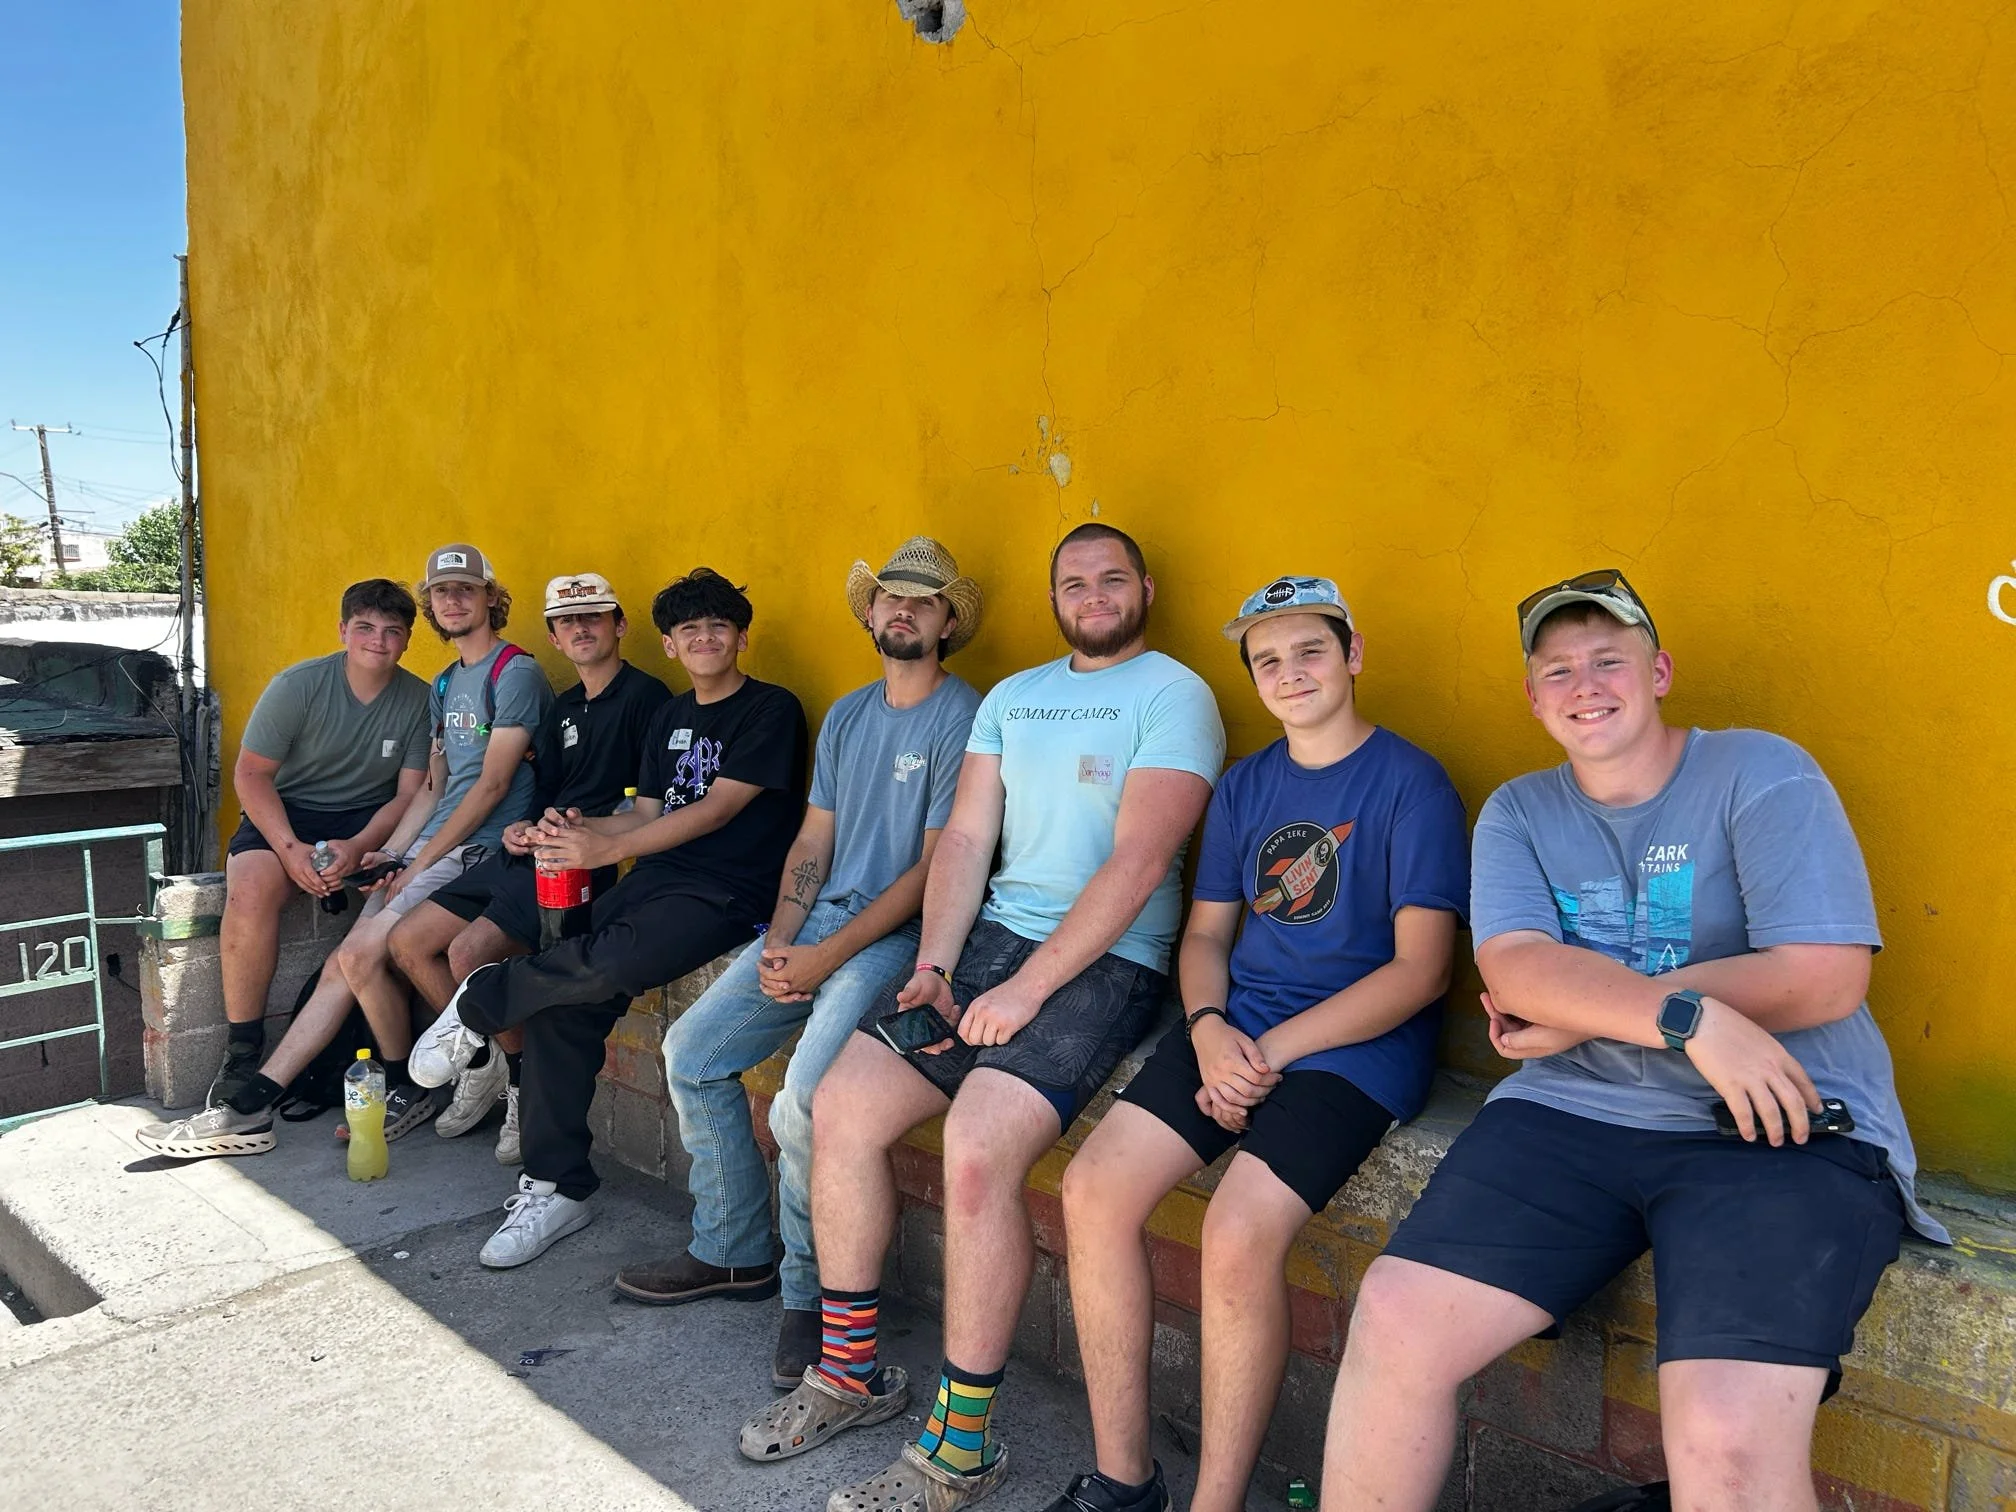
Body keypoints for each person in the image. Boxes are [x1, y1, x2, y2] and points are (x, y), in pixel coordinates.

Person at [1320, 570, 1949, 1512]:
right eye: (1559, 670)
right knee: (1396, 1317)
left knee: (1724, 1435)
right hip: (1572, 1109)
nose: (1585, 686)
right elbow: (1517, 969)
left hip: (1777, 1118)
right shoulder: (1520, 811)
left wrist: (1594, 1008)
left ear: (1658, 672)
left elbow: (1823, 974)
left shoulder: (1760, 771)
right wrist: (1693, 1021)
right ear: (1534, 699)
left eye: (1608, 660)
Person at [738, 523, 1225, 1512]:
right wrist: (936, 965)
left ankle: (962, 1447)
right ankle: (851, 1375)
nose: (1093, 594)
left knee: (974, 1148)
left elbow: (1139, 863)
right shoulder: (1014, 695)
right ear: (1053, 598)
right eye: (1074, 582)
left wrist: (1028, 988)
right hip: (993, 940)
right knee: (841, 1106)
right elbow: (964, 837)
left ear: (1145, 588)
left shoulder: (1176, 693)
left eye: (1112, 579)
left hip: (1110, 959)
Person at [1049, 576, 1468, 1512]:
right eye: (1268, 660)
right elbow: (1205, 937)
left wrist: (1268, 1052)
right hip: (1234, 1029)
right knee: (1093, 1189)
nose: (1290, 672)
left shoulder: (1413, 782)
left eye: (1310, 650)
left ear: (1353, 655)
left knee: (1236, 1232)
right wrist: (1207, 1029)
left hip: (1357, 1047)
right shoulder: (1246, 784)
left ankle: (1217, 1502)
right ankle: (1124, 1480)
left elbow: (1421, 971)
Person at [617, 538, 983, 1393]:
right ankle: (732, 1249)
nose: (903, 610)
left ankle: (809, 1296)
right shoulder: (850, 714)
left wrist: (827, 955)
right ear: (869, 613)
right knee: (691, 1054)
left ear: (947, 622)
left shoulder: (964, 715)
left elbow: (934, 867)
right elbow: (814, 838)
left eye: (923, 601)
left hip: (895, 938)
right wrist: (783, 938)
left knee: (803, 1105)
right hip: (814, 922)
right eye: (890, 597)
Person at [412, 568, 809, 1270]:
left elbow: (716, 809)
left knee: (612, 962)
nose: (705, 638)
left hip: (728, 890)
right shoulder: (671, 715)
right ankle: (556, 1186)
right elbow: (646, 813)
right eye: (689, 629)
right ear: (670, 643)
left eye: (719, 626)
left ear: (742, 638)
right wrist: (572, 831)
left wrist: (610, 848)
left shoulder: (771, 708)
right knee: (563, 1002)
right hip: (657, 878)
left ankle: (482, 997)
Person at [137, 545, 552, 1158]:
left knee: (356, 955)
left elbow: (490, 788)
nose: (454, 601)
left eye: (467, 589)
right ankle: (398, 1083)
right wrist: (394, 854)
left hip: (477, 848)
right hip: (431, 846)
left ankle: (256, 1106)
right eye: (442, 592)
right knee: (353, 963)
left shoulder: (514, 674)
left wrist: (417, 860)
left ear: (491, 597)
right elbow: (432, 790)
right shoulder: (446, 682)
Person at [387, 572, 672, 1165]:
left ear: (620, 625)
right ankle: (487, 1061)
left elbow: (650, 807)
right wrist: (521, 827)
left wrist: (586, 833)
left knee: (468, 953)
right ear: (554, 636)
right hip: (532, 847)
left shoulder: (649, 698)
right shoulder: (562, 705)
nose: (581, 629)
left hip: (589, 861)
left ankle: (520, 1087)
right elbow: (544, 789)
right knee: (407, 943)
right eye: (568, 622)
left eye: (593, 617)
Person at [202, 578, 432, 1112]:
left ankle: (385, 1060)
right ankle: (243, 1049)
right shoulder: (297, 685)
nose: (378, 640)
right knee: (249, 890)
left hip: (370, 817)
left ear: (407, 640)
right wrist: (289, 850)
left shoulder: (422, 700)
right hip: (289, 810)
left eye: (392, 631)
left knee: (394, 901)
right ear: (343, 630)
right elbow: (251, 774)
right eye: (365, 627)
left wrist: (357, 846)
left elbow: (409, 795)